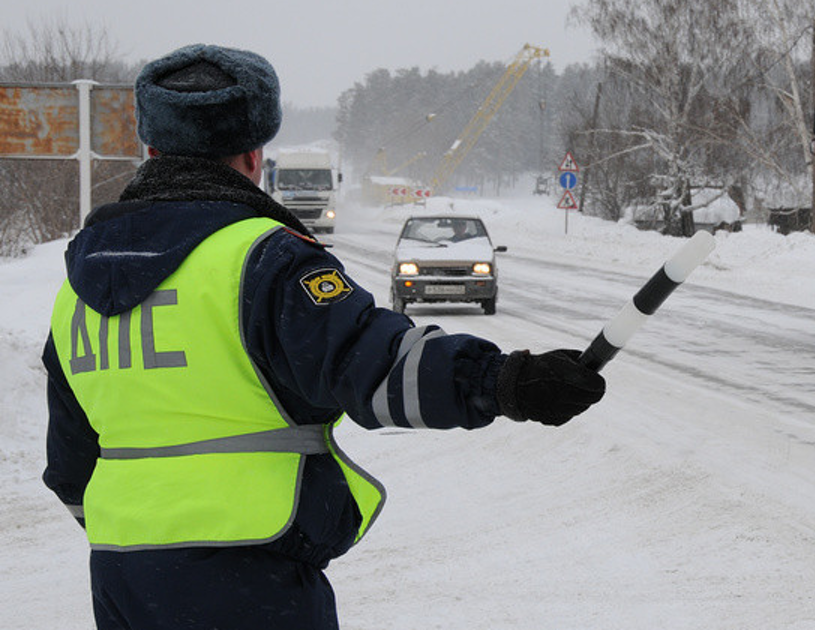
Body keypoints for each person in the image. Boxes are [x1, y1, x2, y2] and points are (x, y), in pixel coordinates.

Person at [41, 44, 606, 630]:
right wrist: (507, 381)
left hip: (122, 581)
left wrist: (137, 531)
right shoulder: (263, 259)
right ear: (255, 158)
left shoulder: (74, 292)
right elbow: (378, 367)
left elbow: (69, 464)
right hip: (250, 576)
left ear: (151, 150)